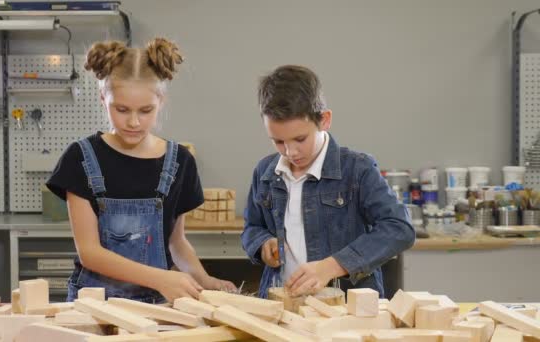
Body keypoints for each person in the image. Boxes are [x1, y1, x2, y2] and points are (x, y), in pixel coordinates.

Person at [47, 38, 236, 303]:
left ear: (162, 101)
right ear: (103, 99)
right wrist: (160, 278)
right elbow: (89, 252)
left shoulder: (180, 162)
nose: (133, 122)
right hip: (94, 305)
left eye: (146, 110)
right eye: (121, 109)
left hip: (155, 306)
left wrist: (204, 280)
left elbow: (176, 242)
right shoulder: (80, 159)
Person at [241, 65, 415, 299]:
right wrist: (263, 244)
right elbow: (252, 227)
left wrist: (333, 266)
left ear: (324, 120)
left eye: (300, 139)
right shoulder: (265, 171)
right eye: (278, 141)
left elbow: (399, 228)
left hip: (347, 308)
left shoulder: (357, 169)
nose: (291, 152)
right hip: (282, 304)